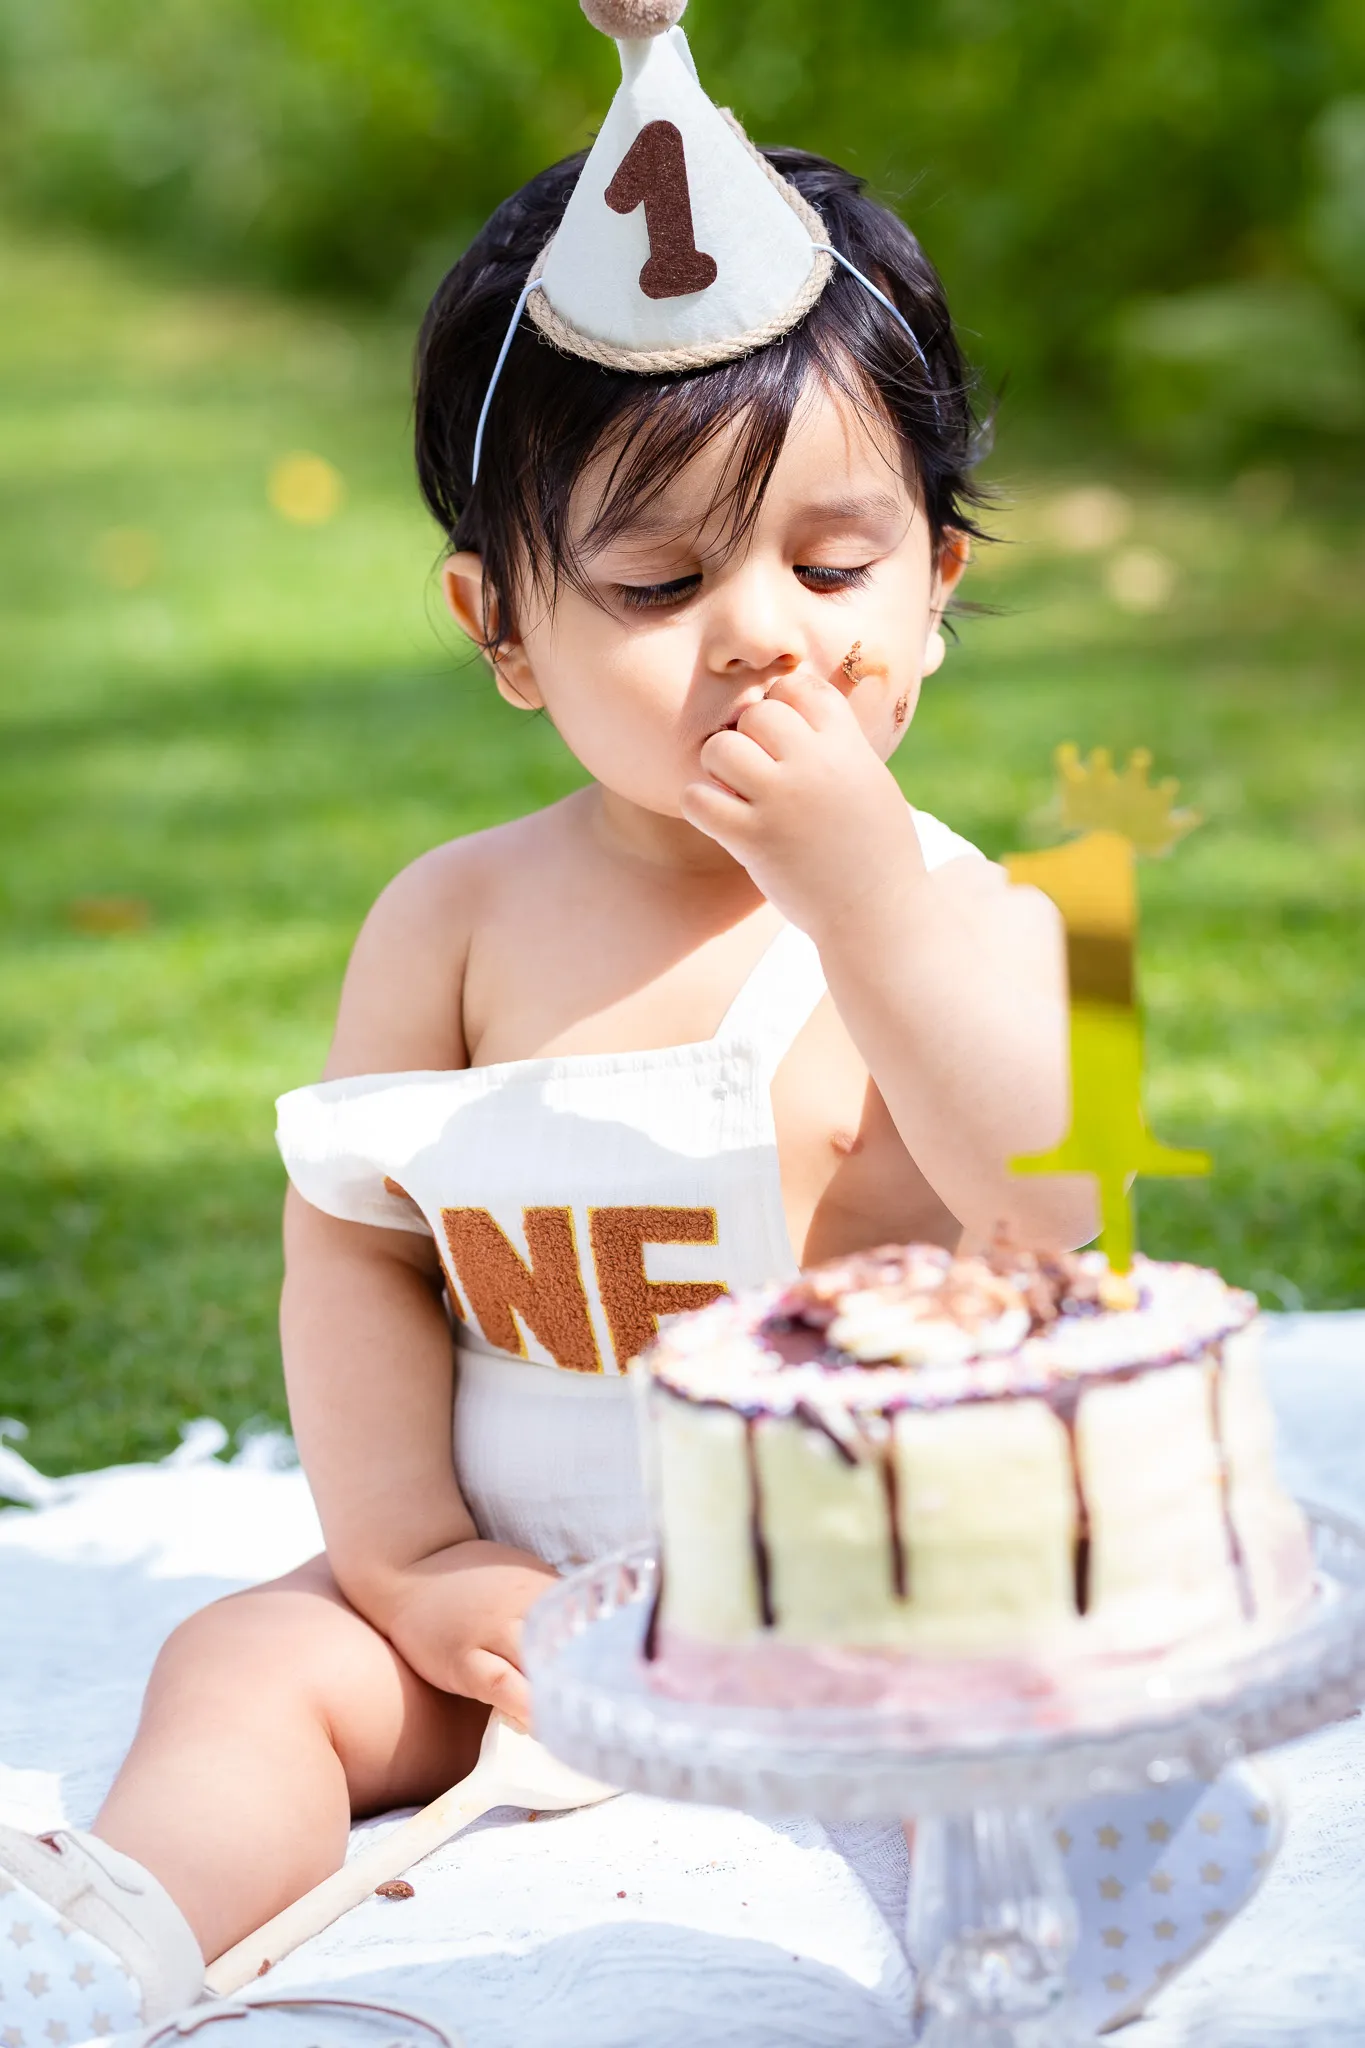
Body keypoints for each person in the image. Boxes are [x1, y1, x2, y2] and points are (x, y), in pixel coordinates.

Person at [0, 12, 1276, 2042]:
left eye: (833, 563)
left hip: (869, 1594)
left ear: (939, 584)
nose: (763, 632)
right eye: (659, 583)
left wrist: (860, 895)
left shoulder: (1017, 918)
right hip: (528, 1600)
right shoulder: (452, 921)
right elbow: (358, 1248)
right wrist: (412, 1559)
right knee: (246, 1665)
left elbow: (1073, 1227)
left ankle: (1027, 1949)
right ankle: (120, 1929)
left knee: (1027, 1693)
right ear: (502, 629)